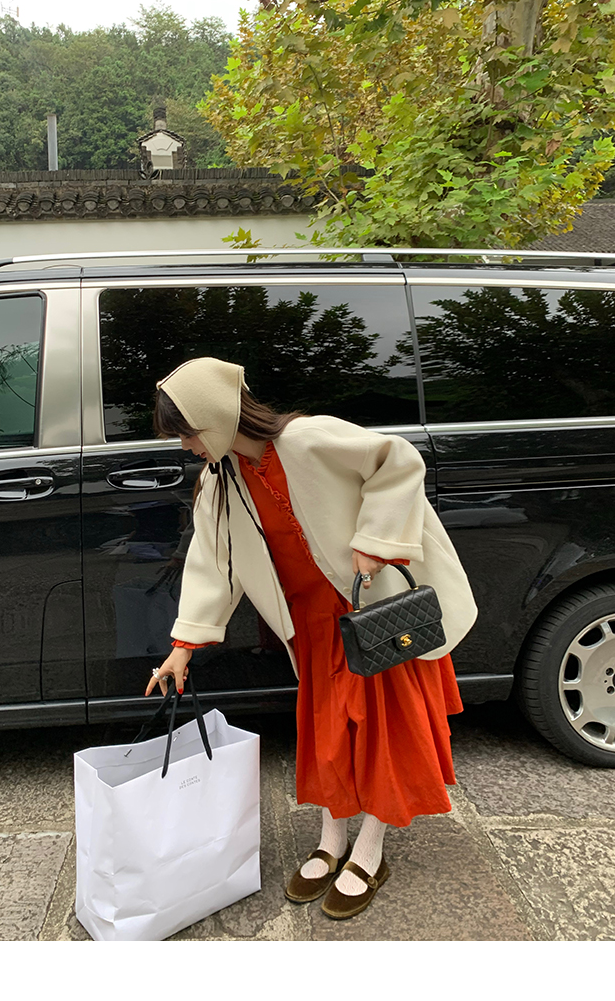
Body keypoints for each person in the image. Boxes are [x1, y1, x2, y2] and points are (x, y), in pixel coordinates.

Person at [144, 357, 477, 921]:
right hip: (310, 624)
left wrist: (376, 540)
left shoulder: (307, 438)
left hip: (372, 611)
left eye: (188, 431)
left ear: (217, 415)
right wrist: (184, 646)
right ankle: (331, 839)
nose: (185, 445)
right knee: (329, 733)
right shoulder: (220, 482)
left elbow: (397, 459)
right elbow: (212, 563)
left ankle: (368, 851)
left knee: (383, 728)